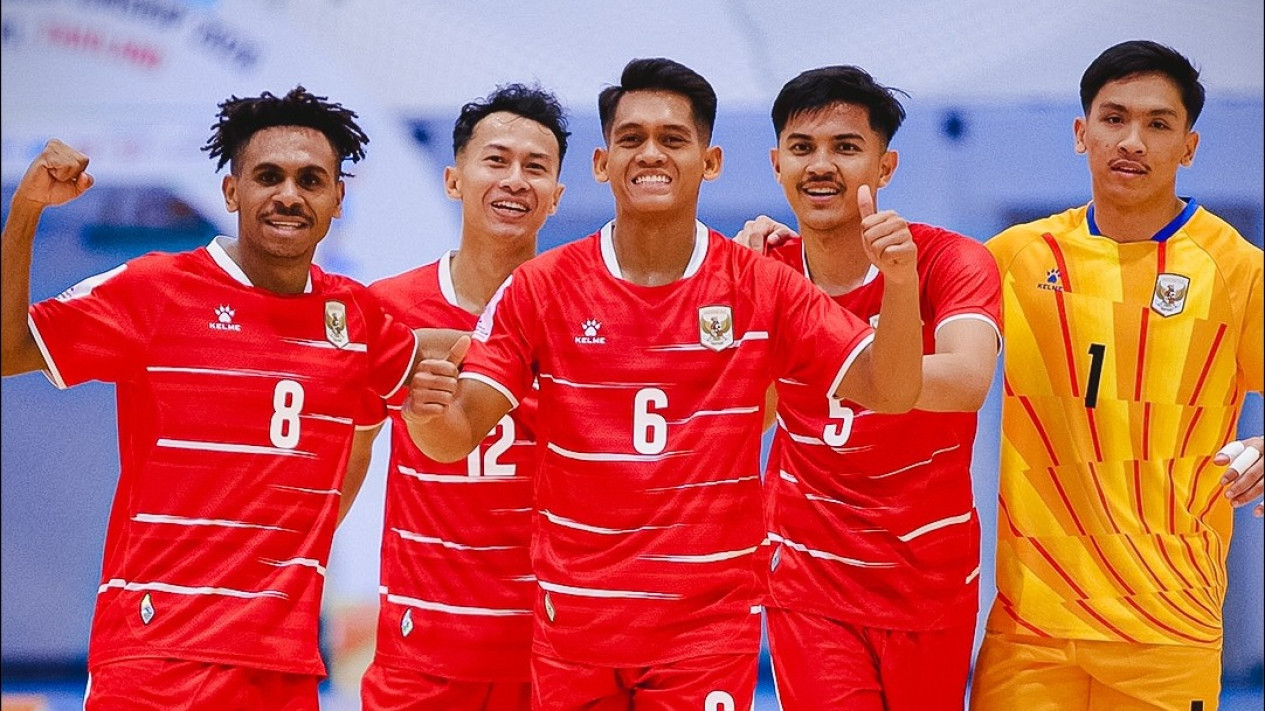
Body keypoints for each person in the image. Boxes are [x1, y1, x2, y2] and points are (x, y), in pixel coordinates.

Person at [401, 57, 926, 711]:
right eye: (631, 138)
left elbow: (892, 390)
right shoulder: (541, 288)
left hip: (703, 640)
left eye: (672, 138)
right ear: (601, 163)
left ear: (709, 162)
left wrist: (899, 286)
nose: (650, 153)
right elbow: (456, 433)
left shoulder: (762, 285)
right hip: (573, 637)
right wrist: (424, 411)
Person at [0, 87, 424, 711]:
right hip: (156, 655)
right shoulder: (154, 289)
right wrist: (26, 209)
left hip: (284, 665)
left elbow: (443, 396)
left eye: (311, 179)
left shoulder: (356, 317)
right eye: (268, 176)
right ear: (231, 192)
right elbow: (9, 351)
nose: (288, 194)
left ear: (337, 199)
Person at [969, 40, 1264, 711]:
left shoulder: (1236, 269)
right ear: (1081, 133)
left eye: (1157, 124)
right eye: (1112, 118)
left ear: (1187, 147)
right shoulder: (1016, 256)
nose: (1131, 140)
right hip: (1030, 631)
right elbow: (886, 333)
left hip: (1168, 632)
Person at [732, 65, 1002, 710]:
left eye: (846, 148)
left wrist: (878, 316)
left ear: (886, 167)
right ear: (776, 164)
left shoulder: (948, 260)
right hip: (808, 571)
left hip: (927, 576)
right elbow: (754, 416)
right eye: (803, 149)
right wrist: (744, 308)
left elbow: (966, 382)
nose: (821, 165)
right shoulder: (762, 274)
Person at [357, 83, 569, 711]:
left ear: (557, 196)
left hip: (555, 650)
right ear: (454, 179)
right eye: (496, 160)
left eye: (536, 167)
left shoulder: (584, 309)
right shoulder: (387, 308)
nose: (515, 180)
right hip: (423, 652)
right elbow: (346, 454)